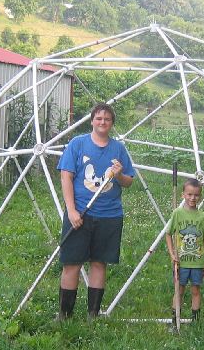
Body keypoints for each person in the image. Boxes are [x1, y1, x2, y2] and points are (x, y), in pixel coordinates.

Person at [56, 103, 134, 320]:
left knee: (99, 263)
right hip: (80, 214)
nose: (102, 122)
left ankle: (93, 314)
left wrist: (119, 175)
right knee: (72, 263)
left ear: (112, 124)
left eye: (107, 119)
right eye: (99, 118)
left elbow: (128, 181)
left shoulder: (118, 148)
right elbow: (66, 176)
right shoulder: (77, 144)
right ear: (92, 120)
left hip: (109, 216)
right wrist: (71, 211)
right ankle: (64, 315)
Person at [165, 178, 204, 325]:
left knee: (196, 290)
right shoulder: (177, 214)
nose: (193, 198)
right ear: (183, 195)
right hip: (181, 262)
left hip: (198, 262)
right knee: (179, 290)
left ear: (200, 196)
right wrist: (172, 254)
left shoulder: (203, 217)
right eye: (189, 194)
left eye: (196, 195)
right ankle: (175, 322)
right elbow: (168, 234)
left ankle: (195, 321)